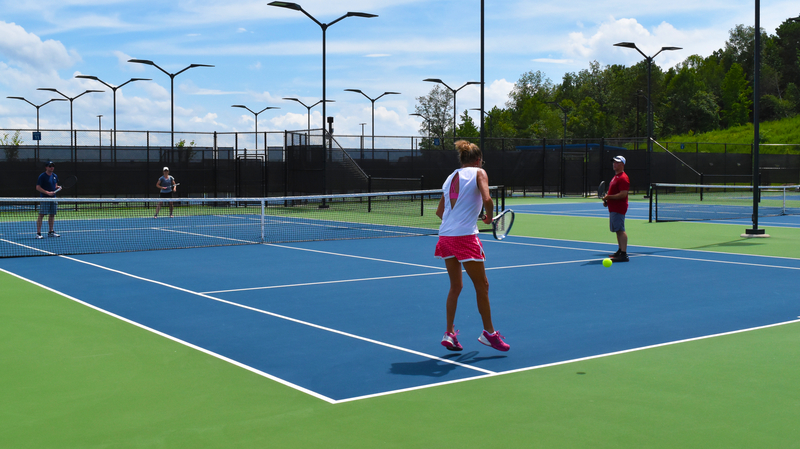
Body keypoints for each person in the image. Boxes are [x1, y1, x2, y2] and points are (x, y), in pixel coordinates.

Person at [435, 140, 510, 352]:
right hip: (464, 238)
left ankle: (449, 333)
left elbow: (440, 213)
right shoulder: (480, 173)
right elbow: (487, 199)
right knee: (482, 286)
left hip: (445, 237)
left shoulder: (450, 177)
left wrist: (467, 217)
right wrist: (486, 218)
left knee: (455, 286)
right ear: (478, 160)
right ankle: (489, 333)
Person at [603, 155, 630, 262]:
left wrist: (609, 197)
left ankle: (624, 254)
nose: (615, 164)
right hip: (613, 207)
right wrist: (608, 201)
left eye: (617, 162)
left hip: (619, 207)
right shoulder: (615, 177)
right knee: (617, 230)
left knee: (620, 230)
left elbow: (623, 194)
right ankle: (620, 250)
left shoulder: (623, 178)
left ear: (623, 164)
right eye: (614, 162)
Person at [35, 161, 60, 239]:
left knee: (52, 214)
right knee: (42, 214)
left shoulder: (55, 176)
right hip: (45, 198)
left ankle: (51, 231)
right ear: (46, 167)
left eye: (53, 166)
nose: (52, 167)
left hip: (53, 198)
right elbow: (38, 187)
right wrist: (47, 193)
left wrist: (58, 188)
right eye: (50, 166)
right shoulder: (42, 176)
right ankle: (38, 233)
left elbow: (55, 186)